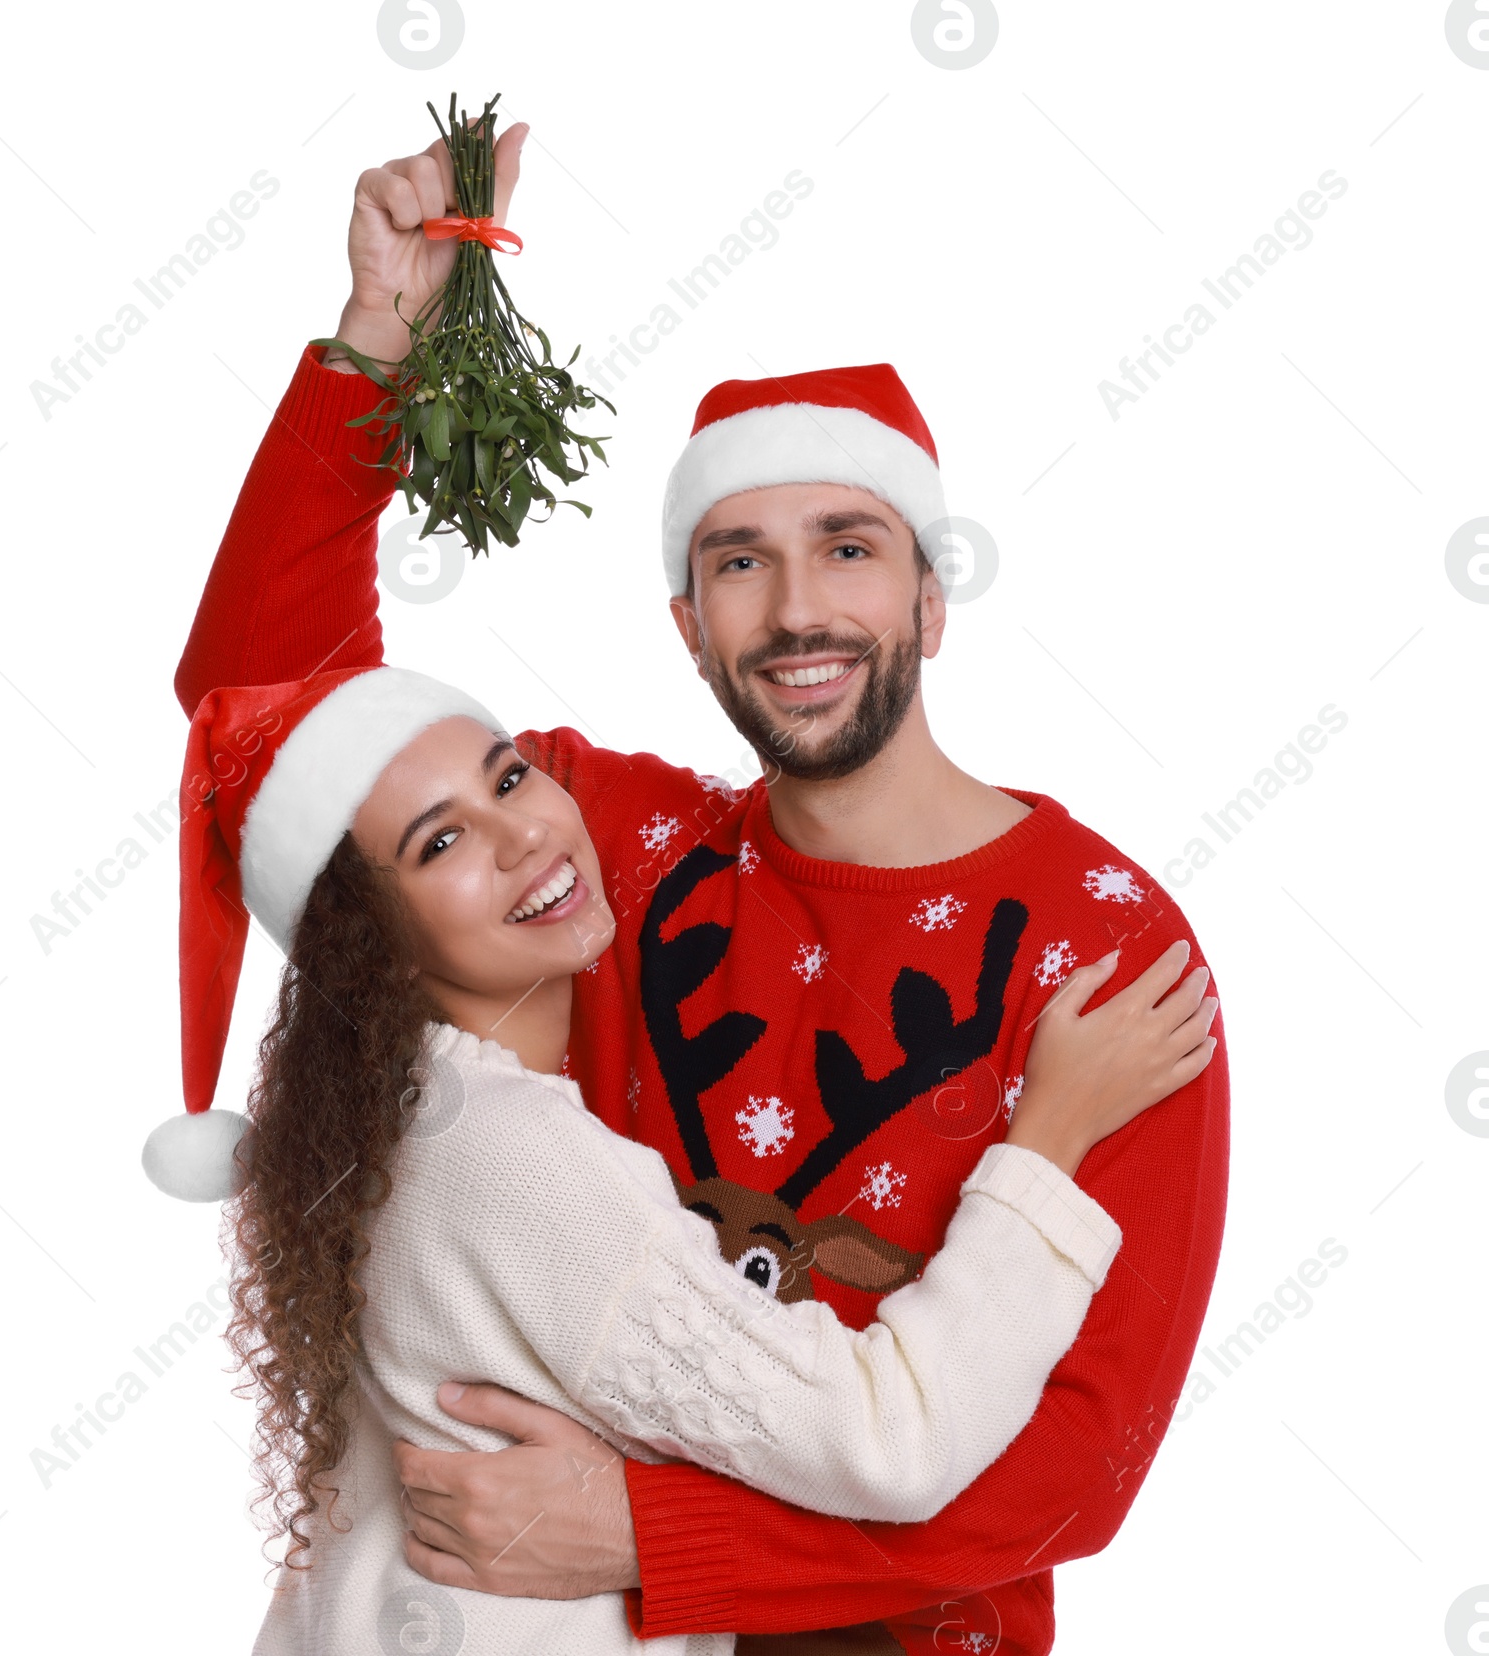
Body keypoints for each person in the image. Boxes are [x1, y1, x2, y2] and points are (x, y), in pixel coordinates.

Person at [173, 118, 1230, 1655]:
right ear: (686, 622)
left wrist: (658, 1536)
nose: (799, 609)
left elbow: (1085, 1468)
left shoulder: (1105, 950)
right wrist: (377, 347)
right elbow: (270, 728)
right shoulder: (599, 853)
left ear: (933, 595)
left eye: (850, 548)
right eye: (740, 561)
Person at [140, 665, 1217, 1656]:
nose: (519, 836)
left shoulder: (406, 1122)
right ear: (365, 941)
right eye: (439, 844)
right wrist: (1048, 1142)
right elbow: (892, 1440)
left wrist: (644, 1530)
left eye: (510, 777)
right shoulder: (510, 1155)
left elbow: (264, 694)